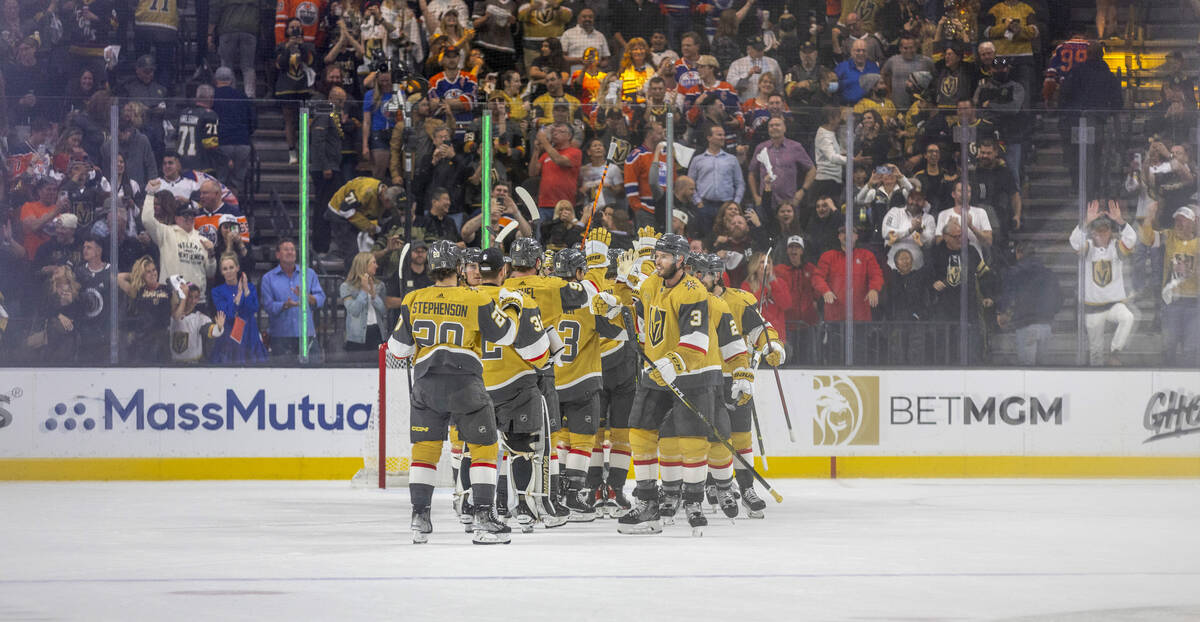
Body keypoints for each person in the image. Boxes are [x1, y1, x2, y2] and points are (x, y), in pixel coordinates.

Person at [388, 240, 527, 544]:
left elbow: (398, 350)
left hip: (425, 385)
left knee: (424, 452)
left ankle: (419, 519)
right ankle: (483, 517)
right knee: (484, 449)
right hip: (465, 384)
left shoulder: (413, 299)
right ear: (461, 267)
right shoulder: (474, 298)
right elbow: (506, 335)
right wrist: (514, 307)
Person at [617, 233, 728, 536]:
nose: (657, 261)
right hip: (655, 372)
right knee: (639, 431)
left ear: (681, 260)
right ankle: (648, 502)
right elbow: (639, 317)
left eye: (664, 256)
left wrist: (675, 362)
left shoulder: (693, 291)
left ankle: (693, 502)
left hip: (692, 373)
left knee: (691, 439)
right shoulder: (652, 283)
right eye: (656, 255)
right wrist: (614, 305)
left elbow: (697, 338)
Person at [701, 252, 783, 518]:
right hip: (701, 377)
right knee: (706, 437)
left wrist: (774, 347)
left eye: (702, 273)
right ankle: (708, 484)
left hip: (735, 378)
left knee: (740, 437)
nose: (696, 278)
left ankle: (746, 488)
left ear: (716, 275)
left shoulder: (738, 301)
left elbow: (762, 330)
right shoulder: (689, 299)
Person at [1140, 202, 1200, 367]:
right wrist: (1150, 216)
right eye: (1177, 221)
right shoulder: (1169, 236)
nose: (1178, 224)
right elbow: (1147, 238)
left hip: (1195, 304)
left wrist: (1191, 269)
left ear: (1193, 222)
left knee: (1191, 348)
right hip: (1172, 301)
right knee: (1169, 345)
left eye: (1183, 221)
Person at [140, 182, 218, 303]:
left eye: (192, 215)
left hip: (196, 300)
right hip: (171, 298)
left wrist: (212, 254)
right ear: (176, 218)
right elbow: (147, 219)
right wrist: (150, 193)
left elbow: (210, 272)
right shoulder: (166, 233)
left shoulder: (204, 240)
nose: (189, 218)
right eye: (185, 215)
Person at [997, 241, 1062, 367]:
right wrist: (1050, 314)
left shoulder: (1015, 273)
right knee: (1043, 369)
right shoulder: (1049, 274)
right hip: (1046, 325)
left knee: (1027, 369)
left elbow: (1009, 295)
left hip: (1025, 324)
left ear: (1018, 254)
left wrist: (1002, 312)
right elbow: (1059, 298)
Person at [260, 239, 327, 359]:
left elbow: (321, 298)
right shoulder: (268, 278)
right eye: (286, 249)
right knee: (282, 376)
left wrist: (307, 296)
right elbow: (268, 306)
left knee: (314, 374)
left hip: (307, 335)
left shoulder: (309, 273)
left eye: (292, 250)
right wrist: (284, 305)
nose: (290, 252)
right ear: (277, 255)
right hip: (280, 337)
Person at [812, 225, 884, 325]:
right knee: (835, 341)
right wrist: (825, 291)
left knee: (860, 341)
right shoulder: (828, 256)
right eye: (843, 233)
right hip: (835, 316)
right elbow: (817, 277)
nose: (847, 235)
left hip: (860, 316)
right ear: (839, 236)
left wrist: (874, 289)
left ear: (857, 236)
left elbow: (876, 274)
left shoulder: (866, 255)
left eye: (851, 232)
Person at [210, 252, 268, 364]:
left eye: (231, 267)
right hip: (229, 334)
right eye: (225, 269)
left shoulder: (250, 287)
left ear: (237, 268)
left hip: (249, 333)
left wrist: (246, 291)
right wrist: (238, 297)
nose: (229, 271)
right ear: (221, 272)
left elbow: (253, 309)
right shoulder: (217, 291)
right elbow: (227, 314)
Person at [749, 116, 816, 212]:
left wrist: (802, 191)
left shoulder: (795, 147)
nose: (774, 127)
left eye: (777, 125)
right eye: (771, 126)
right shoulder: (761, 148)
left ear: (784, 128)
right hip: (766, 203)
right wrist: (756, 196)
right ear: (768, 129)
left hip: (790, 204)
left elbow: (812, 170)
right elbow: (751, 173)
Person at [688, 124, 745, 233]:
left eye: (723, 135)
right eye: (719, 135)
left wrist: (735, 203)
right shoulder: (697, 160)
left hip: (726, 207)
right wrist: (698, 202)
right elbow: (690, 183)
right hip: (704, 206)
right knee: (705, 238)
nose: (723, 137)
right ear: (709, 137)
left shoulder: (732, 159)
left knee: (726, 237)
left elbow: (740, 183)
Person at [117, 255, 172, 363]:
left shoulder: (167, 288)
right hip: (143, 341)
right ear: (142, 274)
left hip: (162, 339)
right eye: (148, 272)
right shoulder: (138, 291)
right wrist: (137, 275)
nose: (153, 274)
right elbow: (119, 277)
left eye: (154, 270)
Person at [212, 67, 256, 189]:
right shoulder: (242, 96)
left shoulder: (212, 97)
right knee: (236, 184)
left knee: (220, 182)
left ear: (215, 80)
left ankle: (221, 206)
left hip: (221, 143)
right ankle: (234, 205)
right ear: (232, 80)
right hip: (242, 143)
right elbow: (253, 122)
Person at [529, 122, 583, 221]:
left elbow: (560, 160)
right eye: (553, 131)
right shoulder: (546, 154)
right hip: (544, 204)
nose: (555, 133)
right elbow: (532, 173)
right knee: (542, 234)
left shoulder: (575, 152)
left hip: (564, 205)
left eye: (560, 131)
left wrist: (544, 141)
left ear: (569, 136)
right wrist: (536, 151)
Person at [74, 235, 113, 362]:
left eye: (89, 248)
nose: (85, 250)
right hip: (84, 332)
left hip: (104, 332)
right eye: (84, 247)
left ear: (98, 251)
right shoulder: (79, 272)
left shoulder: (111, 271)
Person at [340, 252, 389, 352]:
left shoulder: (380, 285)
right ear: (364, 265)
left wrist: (373, 294)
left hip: (377, 332)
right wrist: (364, 290)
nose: (377, 265)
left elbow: (384, 311)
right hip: (356, 337)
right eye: (374, 263)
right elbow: (354, 310)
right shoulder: (346, 287)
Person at [211, 0, 260, 98]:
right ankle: (249, 96)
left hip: (228, 28)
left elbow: (215, 9)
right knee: (248, 66)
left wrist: (210, 32)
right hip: (249, 29)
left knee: (226, 64)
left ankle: (229, 94)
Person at [170, 282, 225, 364]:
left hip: (193, 365)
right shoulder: (173, 314)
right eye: (190, 296)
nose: (192, 301)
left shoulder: (200, 318)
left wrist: (219, 328)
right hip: (171, 365)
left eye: (196, 297)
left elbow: (210, 330)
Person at [176, 85, 224, 176]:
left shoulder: (183, 113)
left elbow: (176, 137)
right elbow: (210, 144)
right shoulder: (209, 115)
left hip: (181, 163)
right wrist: (224, 159)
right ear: (211, 98)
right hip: (201, 165)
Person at [882, 34, 935, 110]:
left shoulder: (926, 61)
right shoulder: (892, 61)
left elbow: (934, 77)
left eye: (911, 48)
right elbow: (884, 73)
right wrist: (888, 92)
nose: (909, 51)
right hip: (897, 106)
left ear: (916, 47)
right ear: (900, 48)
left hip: (919, 107)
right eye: (905, 48)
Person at [725, 35, 783, 102]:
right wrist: (748, 75)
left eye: (762, 49)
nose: (760, 52)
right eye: (757, 50)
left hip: (767, 105)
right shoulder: (737, 64)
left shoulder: (773, 63)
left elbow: (779, 85)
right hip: (745, 103)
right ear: (749, 49)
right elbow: (730, 85)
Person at [835, 39, 881, 105]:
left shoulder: (873, 67)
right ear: (852, 52)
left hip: (870, 108)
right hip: (848, 108)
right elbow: (832, 87)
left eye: (864, 51)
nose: (861, 53)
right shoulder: (842, 67)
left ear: (867, 53)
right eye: (858, 50)